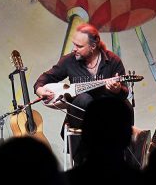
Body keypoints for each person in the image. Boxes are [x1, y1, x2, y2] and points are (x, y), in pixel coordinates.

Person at [34, 23, 130, 163]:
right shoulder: (69, 61)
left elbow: (124, 92)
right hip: (80, 118)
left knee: (125, 107)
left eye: (79, 46)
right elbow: (44, 79)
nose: (74, 49)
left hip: (107, 117)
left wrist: (116, 89)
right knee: (83, 99)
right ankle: (85, 161)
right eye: (74, 45)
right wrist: (40, 90)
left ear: (93, 46)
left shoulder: (113, 61)